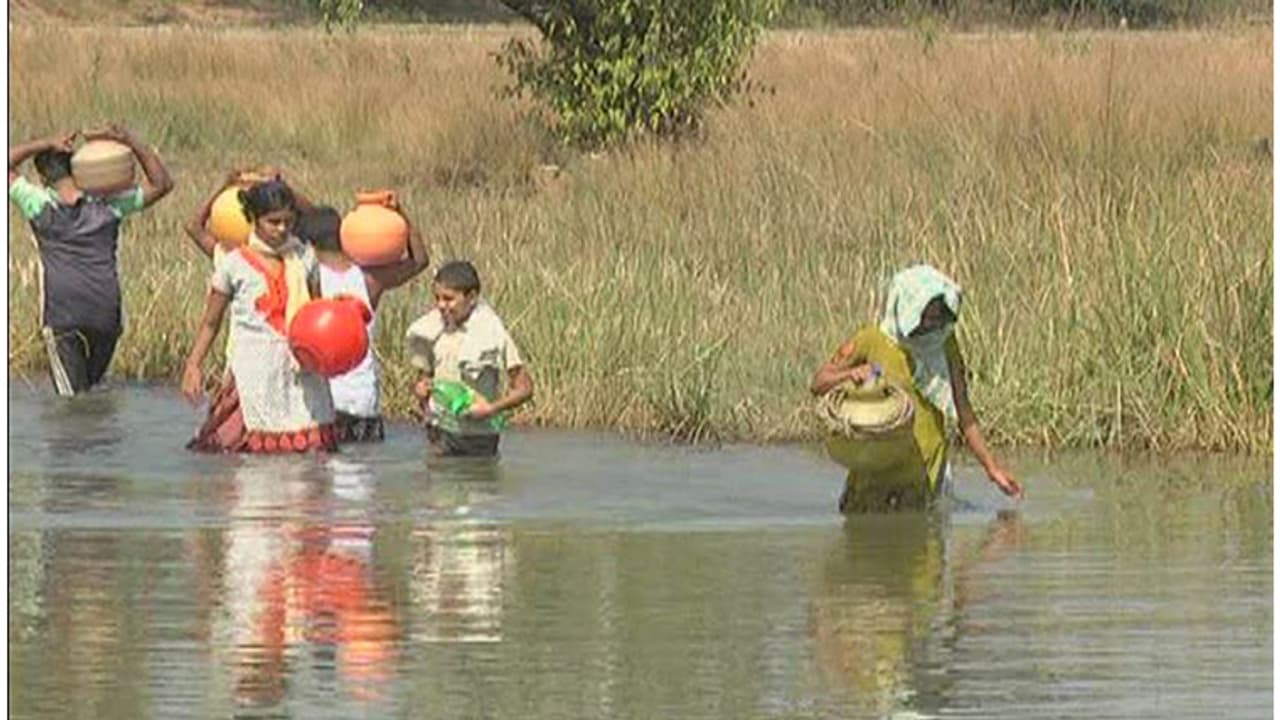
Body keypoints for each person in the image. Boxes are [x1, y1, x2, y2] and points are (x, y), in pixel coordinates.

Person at [810, 264, 1022, 513]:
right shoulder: (872, 340)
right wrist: (850, 374)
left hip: (924, 477)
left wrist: (991, 468)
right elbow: (819, 382)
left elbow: (963, 411)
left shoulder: (944, 344)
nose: (931, 325)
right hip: (873, 477)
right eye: (926, 317)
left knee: (925, 542)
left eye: (937, 317)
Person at [7, 123, 174, 396]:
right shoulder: (107, 205)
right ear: (78, 170)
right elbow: (162, 184)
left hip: (64, 319)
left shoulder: (39, 205)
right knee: (91, 396)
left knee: (72, 404)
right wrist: (129, 139)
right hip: (106, 316)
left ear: (43, 177)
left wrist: (46, 141)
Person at [181, 180, 338, 453]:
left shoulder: (304, 258)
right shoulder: (234, 265)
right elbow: (210, 322)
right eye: (273, 221)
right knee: (248, 462)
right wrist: (193, 364)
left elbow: (317, 312)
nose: (282, 229)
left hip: (300, 373)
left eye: (288, 221)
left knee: (309, 463)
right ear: (253, 219)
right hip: (254, 372)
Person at [294, 203, 429, 443]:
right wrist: (400, 214)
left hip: (327, 405)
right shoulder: (368, 278)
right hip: (365, 402)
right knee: (363, 475)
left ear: (308, 245)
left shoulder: (307, 279)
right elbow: (419, 261)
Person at [405, 261, 533, 457]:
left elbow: (525, 388)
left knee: (477, 485)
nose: (441, 305)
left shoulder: (493, 333)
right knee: (437, 486)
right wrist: (420, 390)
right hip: (439, 433)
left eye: (449, 299)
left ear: (472, 297)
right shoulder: (433, 332)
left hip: (479, 439)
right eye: (437, 298)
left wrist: (490, 409)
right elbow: (424, 379)